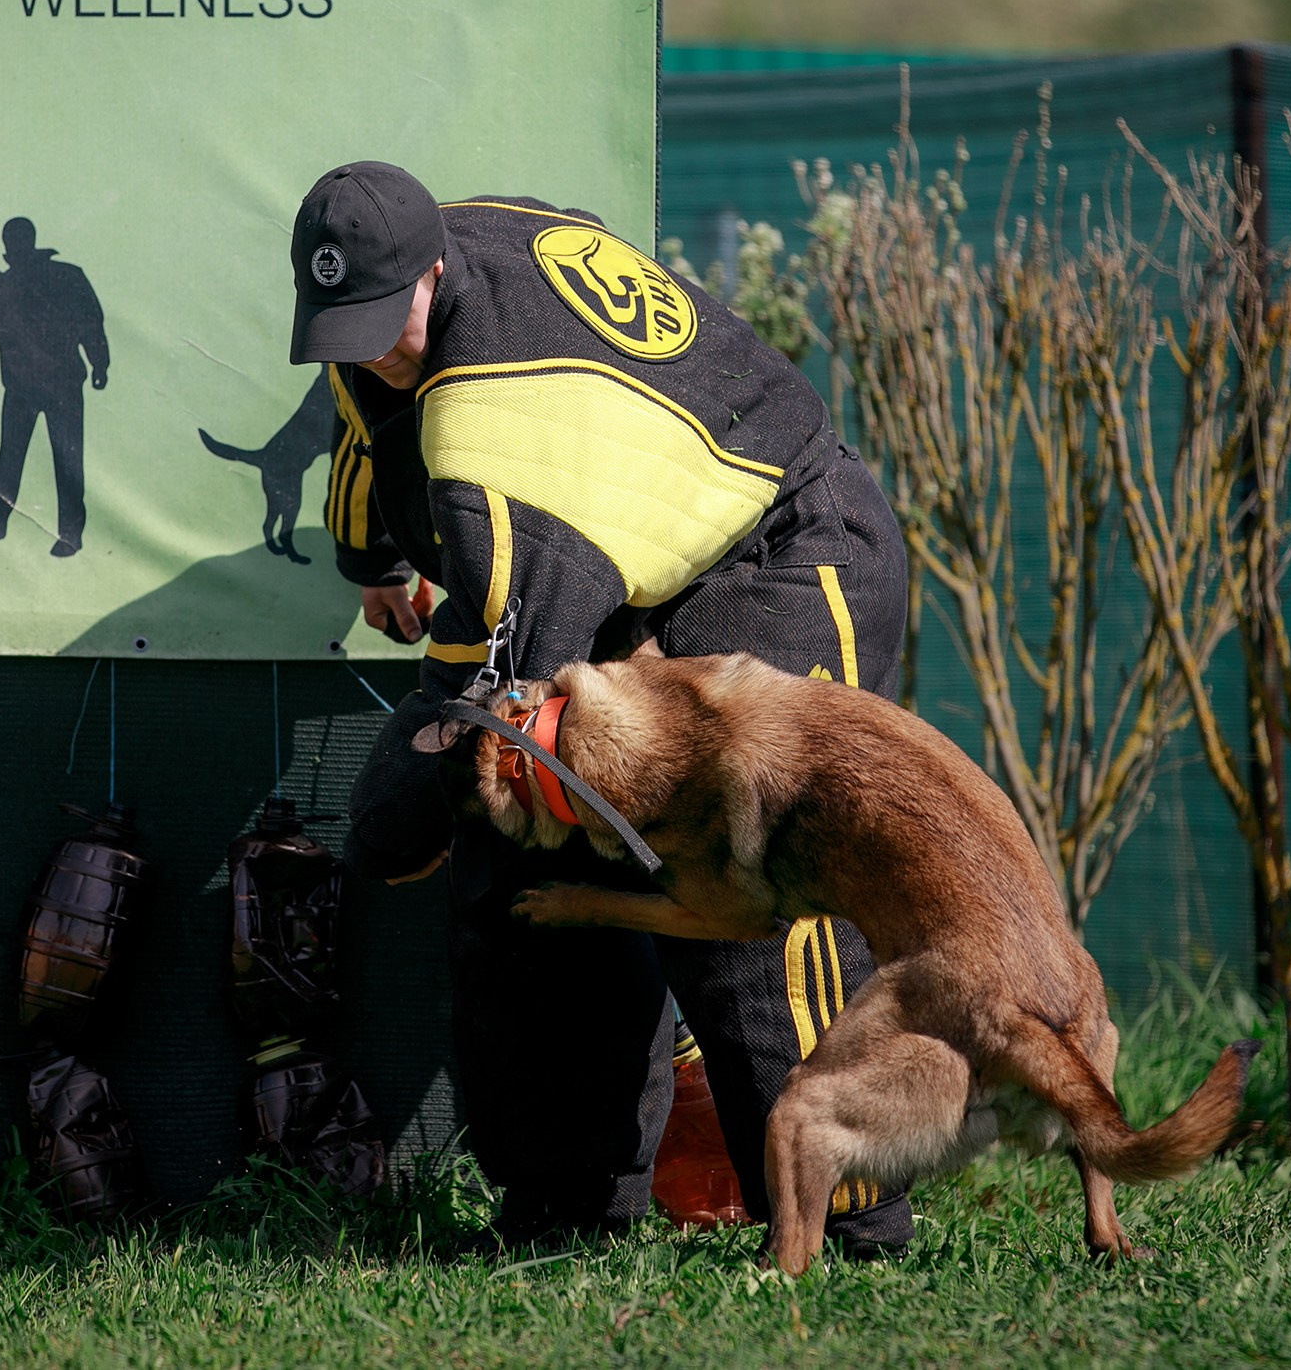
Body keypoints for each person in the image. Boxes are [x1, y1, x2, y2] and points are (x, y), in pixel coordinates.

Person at [289, 160, 915, 1257]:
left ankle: (855, 1226)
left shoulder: (502, 449)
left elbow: (484, 701)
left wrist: (391, 822)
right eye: (342, 324)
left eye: (389, 321)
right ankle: (561, 1211)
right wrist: (371, 558)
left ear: (434, 274)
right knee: (536, 873)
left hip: (787, 546)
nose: (371, 344)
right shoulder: (421, 276)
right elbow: (364, 412)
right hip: (638, 556)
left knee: (750, 888)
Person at [0, 215, 110, 556]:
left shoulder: (16, 283)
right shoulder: (56, 277)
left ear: (11, 244)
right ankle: (22, 525)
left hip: (45, 385)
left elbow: (91, 319)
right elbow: (92, 320)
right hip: (35, 385)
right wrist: (99, 363)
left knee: (50, 457)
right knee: (27, 456)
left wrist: (100, 362)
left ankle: (60, 533)